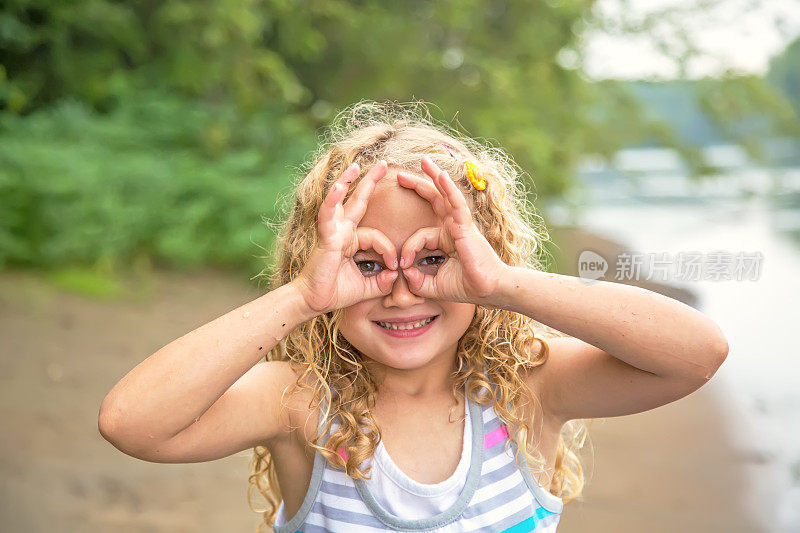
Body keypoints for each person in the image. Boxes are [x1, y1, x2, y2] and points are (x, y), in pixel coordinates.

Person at [98, 101, 730, 533]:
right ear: (317, 262)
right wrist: (302, 298)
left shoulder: (528, 391)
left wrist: (502, 284)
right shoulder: (298, 405)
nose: (404, 293)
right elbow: (132, 424)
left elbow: (698, 354)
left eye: (436, 258)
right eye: (366, 263)